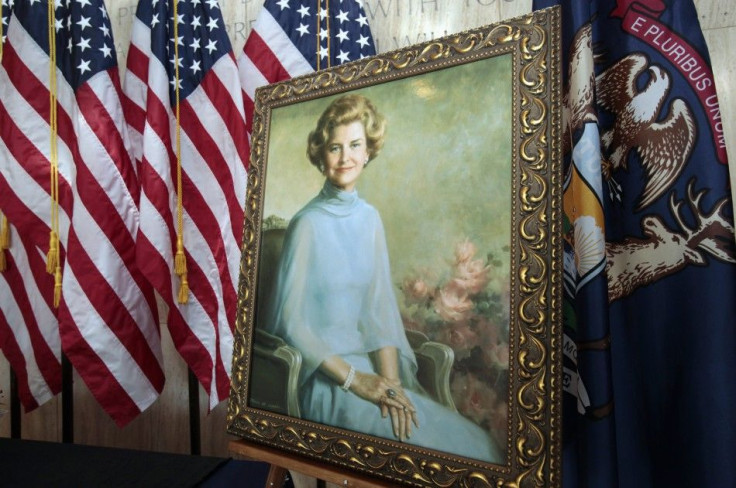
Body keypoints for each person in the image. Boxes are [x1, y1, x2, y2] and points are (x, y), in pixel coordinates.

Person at [260, 94, 502, 463]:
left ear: (369, 151)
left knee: (478, 446)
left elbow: (378, 313)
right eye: (335, 148)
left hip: (373, 375)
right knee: (434, 453)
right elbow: (292, 325)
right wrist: (357, 381)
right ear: (321, 156)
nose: (345, 158)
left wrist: (390, 387)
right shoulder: (306, 225)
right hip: (326, 379)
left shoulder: (370, 219)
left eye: (355, 145)